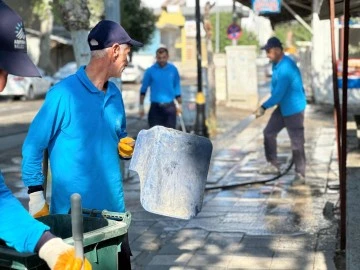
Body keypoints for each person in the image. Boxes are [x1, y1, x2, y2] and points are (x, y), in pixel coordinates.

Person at [21, 20, 142, 268]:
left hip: (114, 219)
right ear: (115, 50)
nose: (128, 61)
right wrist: (35, 197)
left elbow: (119, 134)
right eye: (127, 54)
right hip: (74, 222)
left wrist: (123, 145)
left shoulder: (115, 94)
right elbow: (33, 146)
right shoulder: (63, 95)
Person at [0, 1, 91, 269]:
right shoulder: (62, 95)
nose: (2, 85)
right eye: (0, 68)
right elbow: (33, 146)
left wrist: (49, 246)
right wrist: (36, 192)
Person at [255, 37, 306, 185]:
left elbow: (278, 94)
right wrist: (264, 102)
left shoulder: (286, 68)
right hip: (283, 107)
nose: (267, 55)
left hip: (294, 108)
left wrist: (264, 107)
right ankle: (273, 164)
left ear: (277, 50)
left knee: (297, 142)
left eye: (269, 52)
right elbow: (275, 92)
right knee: (269, 133)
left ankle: (300, 174)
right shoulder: (276, 65)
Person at [139, 47, 182, 129]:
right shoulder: (150, 71)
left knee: (170, 135)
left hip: (170, 107)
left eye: (164, 57)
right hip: (155, 108)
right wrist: (141, 106)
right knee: (154, 135)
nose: (161, 60)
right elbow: (143, 89)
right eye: (159, 58)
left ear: (167, 57)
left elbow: (177, 87)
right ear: (156, 57)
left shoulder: (173, 70)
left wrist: (180, 105)